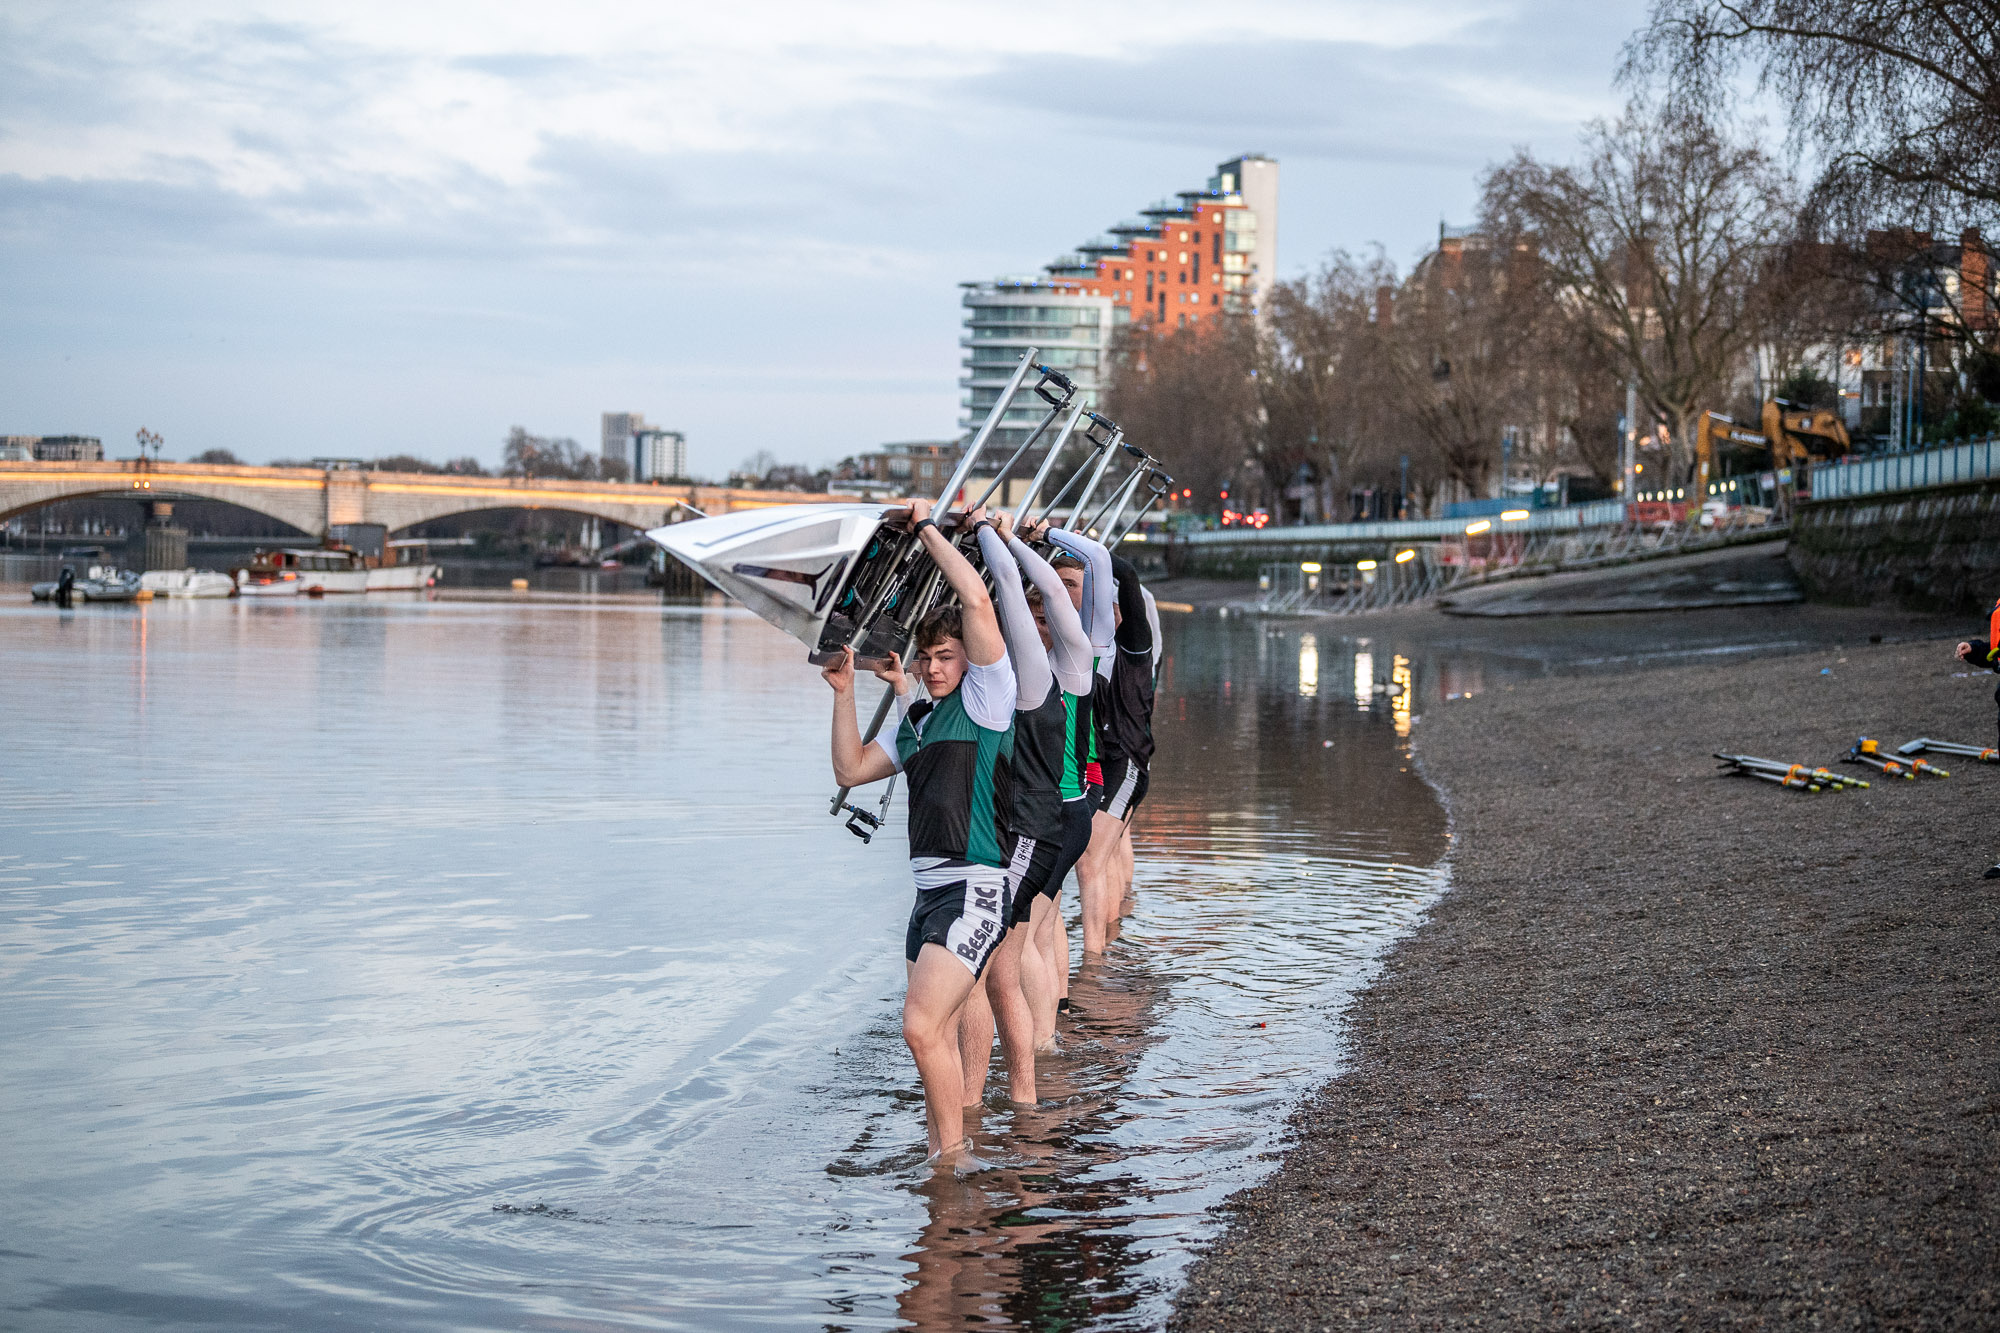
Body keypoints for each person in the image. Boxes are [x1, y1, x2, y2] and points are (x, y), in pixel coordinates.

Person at [824, 499, 1015, 1165]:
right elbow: (850, 767)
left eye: (946, 656)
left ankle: (953, 1163)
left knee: (916, 1025)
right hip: (926, 898)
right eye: (927, 658)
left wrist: (928, 526)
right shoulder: (919, 722)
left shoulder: (988, 699)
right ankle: (945, 1147)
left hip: (975, 890)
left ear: (969, 660)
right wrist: (844, 692)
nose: (934, 668)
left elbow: (976, 601)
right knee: (930, 1034)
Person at [993, 513, 1097, 1053]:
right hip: (1050, 810)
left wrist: (1011, 539)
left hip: (1059, 810)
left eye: (1042, 618)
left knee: (1021, 938)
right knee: (1044, 923)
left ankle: (1040, 1044)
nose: (1033, 625)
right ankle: (1047, 1031)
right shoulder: (1020, 667)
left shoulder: (1073, 662)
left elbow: (1055, 591)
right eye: (1027, 618)